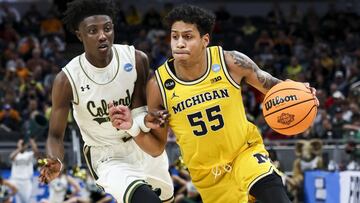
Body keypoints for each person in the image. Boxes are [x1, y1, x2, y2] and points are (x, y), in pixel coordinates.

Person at [109, 4, 318, 203]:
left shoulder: (231, 62)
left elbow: (275, 87)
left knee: (275, 194)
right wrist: (133, 128)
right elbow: (156, 148)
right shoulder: (159, 85)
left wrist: (302, 93)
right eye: (175, 36)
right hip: (208, 175)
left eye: (188, 36)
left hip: (244, 153)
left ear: (205, 40)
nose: (179, 43)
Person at [38, 0, 174, 203]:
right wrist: (55, 159)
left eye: (108, 29)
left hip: (141, 143)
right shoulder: (67, 79)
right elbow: (55, 135)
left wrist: (148, 120)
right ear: (79, 35)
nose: (103, 35)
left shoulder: (136, 59)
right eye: (93, 31)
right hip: (107, 155)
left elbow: (140, 112)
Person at [9, 138, 39, 203]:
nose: (22, 146)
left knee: (26, 201)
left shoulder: (29, 154)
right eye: (21, 144)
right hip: (14, 180)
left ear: (26, 145)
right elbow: (11, 157)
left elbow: (36, 153)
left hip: (26, 181)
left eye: (23, 144)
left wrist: (32, 143)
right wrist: (19, 148)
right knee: (8, 198)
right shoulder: (16, 154)